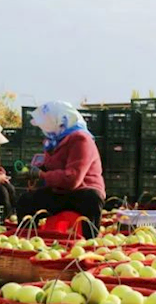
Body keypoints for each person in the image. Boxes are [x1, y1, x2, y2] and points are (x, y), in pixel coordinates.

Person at [15, 101, 105, 238]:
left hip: (83, 191)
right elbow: (50, 166)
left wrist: (42, 175)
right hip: (61, 192)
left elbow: (72, 179)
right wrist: (33, 172)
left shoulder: (81, 139)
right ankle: (28, 240)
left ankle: (90, 242)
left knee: (90, 200)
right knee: (26, 201)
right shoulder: (54, 141)